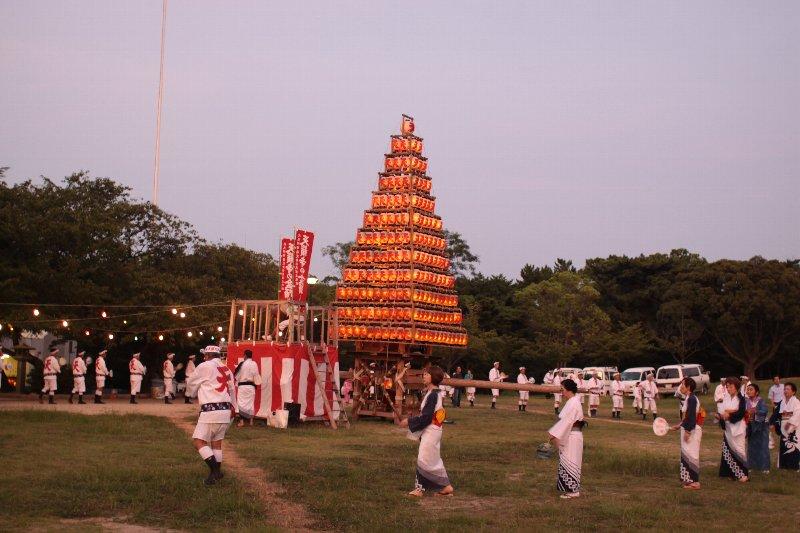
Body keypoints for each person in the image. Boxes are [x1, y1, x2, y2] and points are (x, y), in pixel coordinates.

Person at [398, 365, 454, 497]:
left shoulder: (434, 395)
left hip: (432, 430)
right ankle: (446, 487)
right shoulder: (432, 393)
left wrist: (409, 421)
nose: (424, 376)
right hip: (433, 429)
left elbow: (427, 417)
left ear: (433, 377)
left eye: (427, 374)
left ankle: (419, 489)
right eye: (424, 374)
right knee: (433, 458)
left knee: (423, 458)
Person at [186, 345, 237, 485]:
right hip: (226, 410)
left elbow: (191, 383)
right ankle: (216, 474)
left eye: (205, 355)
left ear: (208, 356)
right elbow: (232, 391)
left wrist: (190, 393)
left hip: (211, 410)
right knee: (216, 443)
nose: (204, 358)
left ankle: (215, 471)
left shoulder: (204, 366)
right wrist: (235, 409)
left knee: (199, 441)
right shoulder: (227, 369)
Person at [548, 378, 584, 499]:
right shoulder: (572, 401)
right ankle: (571, 489)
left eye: (562, 389)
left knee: (571, 461)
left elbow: (568, 422)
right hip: (571, 434)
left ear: (568, 390)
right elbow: (565, 421)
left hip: (572, 435)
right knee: (568, 460)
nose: (561, 392)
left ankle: (573, 491)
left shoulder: (574, 402)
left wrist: (554, 433)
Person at [670, 378, 702, 490]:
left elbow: (692, 416)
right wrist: (679, 426)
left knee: (692, 455)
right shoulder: (688, 398)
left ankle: (695, 482)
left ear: (688, 387)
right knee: (686, 454)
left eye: (683, 384)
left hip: (692, 430)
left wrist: (688, 431)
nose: (681, 387)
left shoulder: (692, 399)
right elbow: (686, 417)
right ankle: (689, 480)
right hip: (688, 428)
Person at [716, 376, 748, 482]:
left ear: (736, 387)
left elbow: (740, 413)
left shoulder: (741, 399)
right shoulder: (725, 398)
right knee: (728, 450)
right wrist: (720, 417)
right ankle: (730, 473)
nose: (728, 389)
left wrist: (729, 415)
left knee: (739, 450)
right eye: (727, 387)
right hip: (728, 428)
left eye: (730, 386)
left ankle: (743, 474)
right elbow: (722, 412)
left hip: (738, 428)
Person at [745, 383, 770, 473]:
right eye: (748, 389)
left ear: (757, 392)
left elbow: (764, 411)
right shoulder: (746, 402)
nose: (749, 391)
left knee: (763, 446)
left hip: (762, 426)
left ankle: (765, 467)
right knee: (751, 446)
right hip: (751, 426)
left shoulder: (761, 401)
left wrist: (754, 412)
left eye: (751, 389)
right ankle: (751, 465)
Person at [777, 382, 800, 471]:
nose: (785, 391)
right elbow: (779, 414)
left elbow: (797, 414)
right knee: (784, 445)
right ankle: (784, 465)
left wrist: (790, 424)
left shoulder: (796, 401)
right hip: (784, 426)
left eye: (788, 389)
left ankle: (794, 465)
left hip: (793, 426)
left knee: (793, 445)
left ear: (793, 392)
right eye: (785, 389)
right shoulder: (782, 402)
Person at [234, 349, 259, 427]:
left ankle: (242, 422)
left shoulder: (242, 364)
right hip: (251, 386)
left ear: (245, 355)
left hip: (243, 386)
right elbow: (256, 376)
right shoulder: (254, 364)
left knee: (241, 403)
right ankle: (251, 421)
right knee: (251, 403)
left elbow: (236, 375)